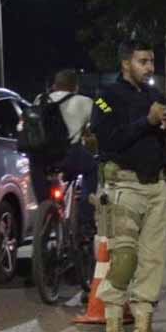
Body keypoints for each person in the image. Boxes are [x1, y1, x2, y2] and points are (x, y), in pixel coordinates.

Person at [91, 41, 166, 332]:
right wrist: (146, 122)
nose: (150, 67)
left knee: (152, 262)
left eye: (151, 61)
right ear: (126, 64)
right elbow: (108, 140)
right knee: (124, 261)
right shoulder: (106, 98)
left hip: (157, 188)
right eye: (143, 61)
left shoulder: (155, 97)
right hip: (124, 186)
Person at [29, 69, 98, 239]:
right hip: (69, 154)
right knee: (92, 168)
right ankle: (85, 218)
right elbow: (103, 117)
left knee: (42, 186)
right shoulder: (84, 100)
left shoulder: (40, 99)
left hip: (39, 157)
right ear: (76, 86)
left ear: (54, 85)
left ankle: (45, 213)